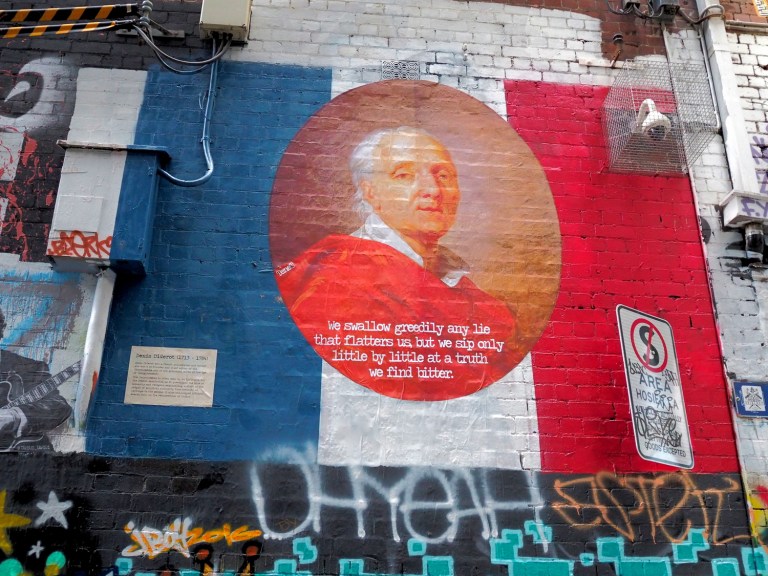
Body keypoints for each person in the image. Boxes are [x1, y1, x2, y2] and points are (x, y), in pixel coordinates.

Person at [275, 127, 521, 400]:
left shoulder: (467, 291)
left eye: (444, 175)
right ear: (370, 192)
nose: (433, 190)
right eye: (404, 175)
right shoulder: (336, 281)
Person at [0, 308, 73, 451]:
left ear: (1, 331)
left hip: (22, 458)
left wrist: (16, 416)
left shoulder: (30, 368)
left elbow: (58, 406)